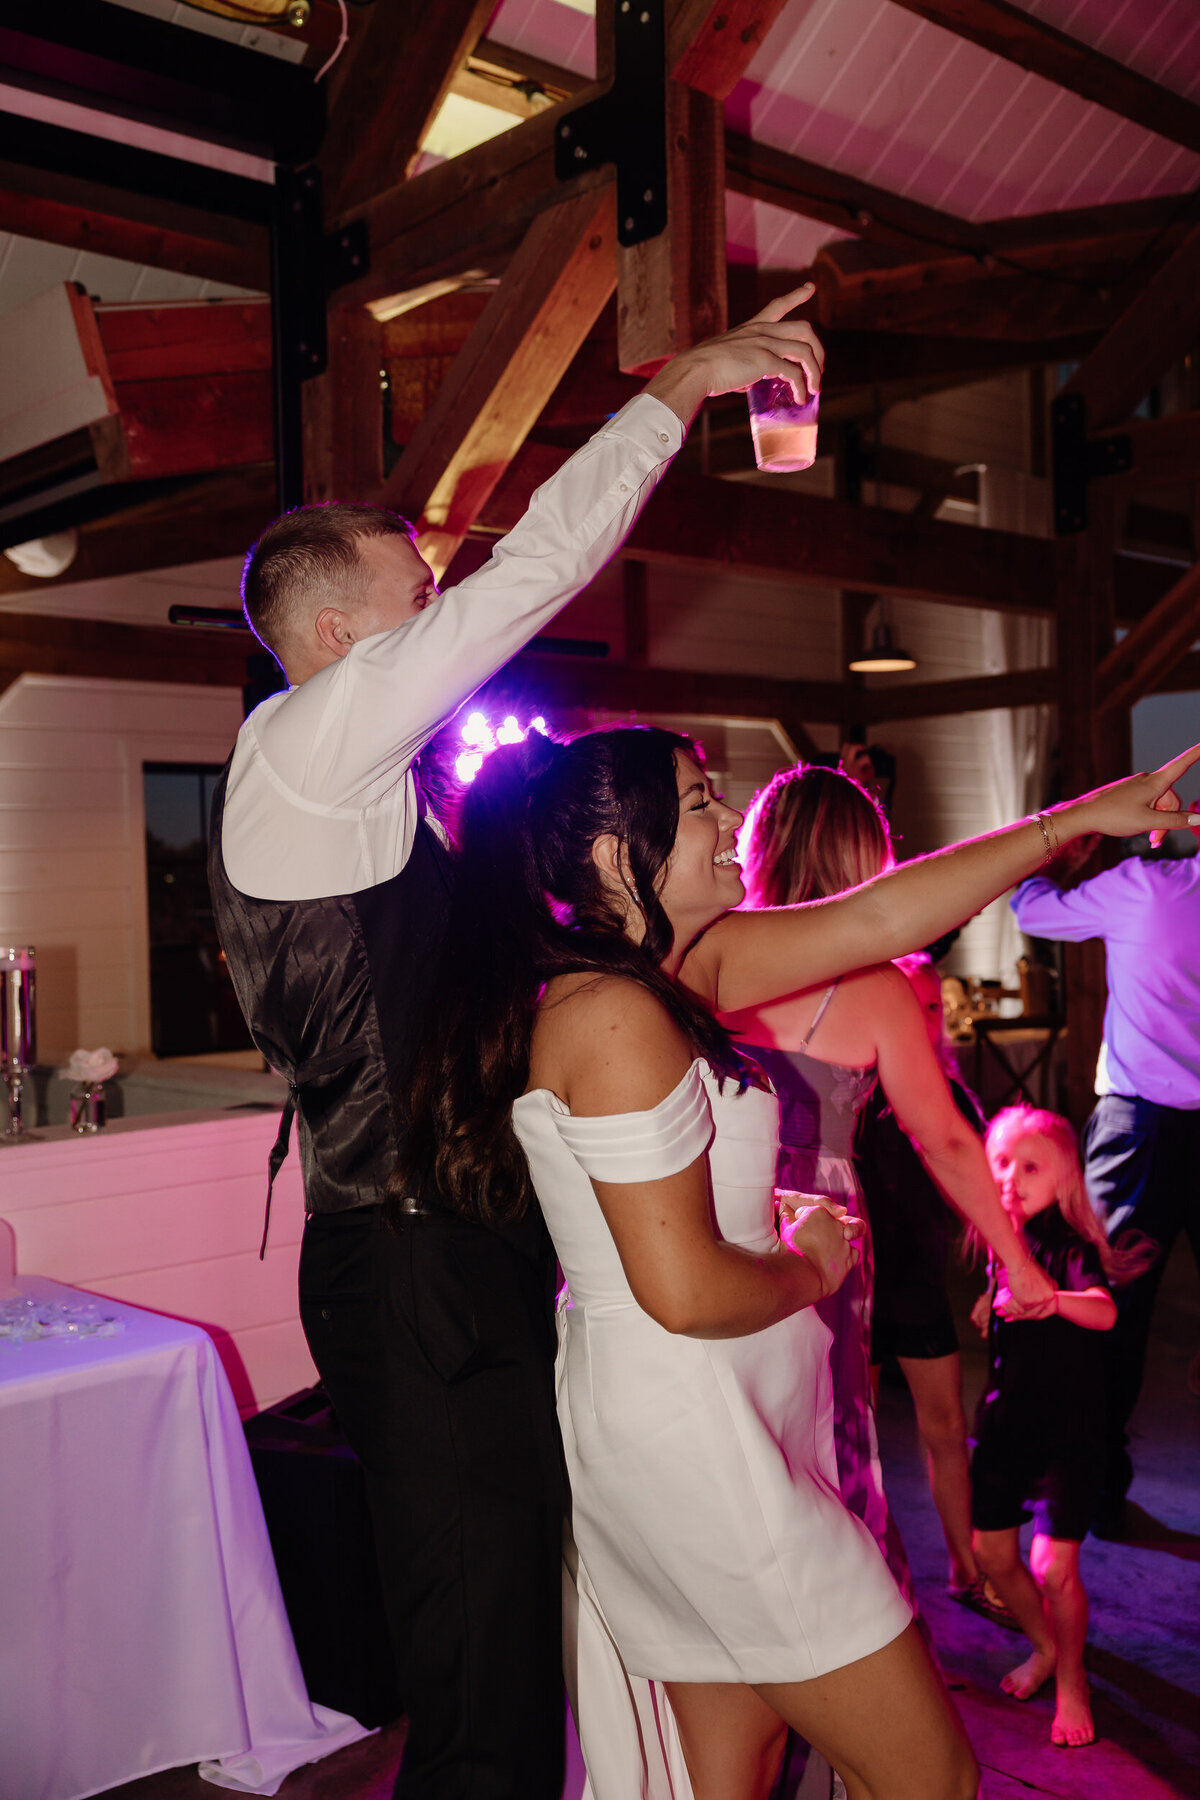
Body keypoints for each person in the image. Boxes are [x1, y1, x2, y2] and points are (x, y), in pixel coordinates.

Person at [206, 286, 827, 1800]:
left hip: (452, 1260)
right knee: (481, 1688)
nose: (447, 609)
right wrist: (679, 389)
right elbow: (537, 570)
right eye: (419, 591)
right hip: (410, 1269)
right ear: (344, 639)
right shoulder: (303, 751)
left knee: (507, 1662)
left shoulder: (366, 794)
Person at [393, 723, 1198, 1800]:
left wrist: (1073, 823)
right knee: (928, 1775)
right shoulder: (615, 1011)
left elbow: (882, 913)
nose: (732, 822)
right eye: (697, 805)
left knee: (736, 1769)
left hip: (723, 1415)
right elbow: (681, 1291)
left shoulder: (674, 968)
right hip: (697, 1441)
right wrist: (814, 1265)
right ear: (606, 857)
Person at [728, 766, 1053, 1608]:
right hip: (822, 1230)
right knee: (825, 1441)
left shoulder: (707, 956)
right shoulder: (874, 989)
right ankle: (846, 1646)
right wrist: (1018, 1260)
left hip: (715, 1211)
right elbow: (944, 1140)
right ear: (863, 863)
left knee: (738, 1434)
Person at [1010, 835, 1200, 1534]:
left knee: (1108, 1307)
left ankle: (1090, 1489)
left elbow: (1033, 912)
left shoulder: (1144, 888)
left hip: (1140, 1127)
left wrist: (1059, 861)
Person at [968, 1107, 1155, 1747]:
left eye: (1030, 1166)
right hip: (1005, 1430)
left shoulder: (1065, 1247)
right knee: (991, 1555)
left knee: (1054, 1568)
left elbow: (1102, 1313)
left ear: (1065, 1177)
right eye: (1000, 1163)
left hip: (1069, 1436)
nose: (1010, 1178)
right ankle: (1047, 1646)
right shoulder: (1001, 1243)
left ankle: (1072, 1679)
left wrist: (1048, 1298)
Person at [855, 954, 1012, 1623]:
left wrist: (1006, 1266)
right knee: (852, 1439)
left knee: (946, 1428)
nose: (922, 1019)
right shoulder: (849, 1087)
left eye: (930, 1007)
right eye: (909, 1004)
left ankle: (964, 1566)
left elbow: (991, 1184)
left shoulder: (948, 1093)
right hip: (850, 1287)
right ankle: (861, 1576)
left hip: (916, 1288)